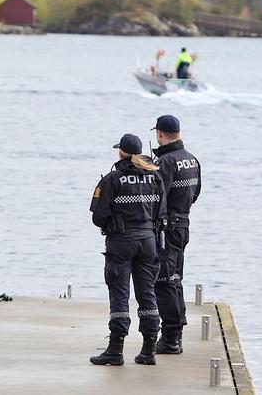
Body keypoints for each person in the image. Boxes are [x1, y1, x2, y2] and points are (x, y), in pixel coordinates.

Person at [89, 133, 167, 366]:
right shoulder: (155, 177)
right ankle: (148, 351)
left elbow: (98, 215)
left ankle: (115, 350)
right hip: (148, 241)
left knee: (120, 296)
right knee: (147, 295)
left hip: (121, 242)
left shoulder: (113, 179)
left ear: (120, 152)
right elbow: (161, 212)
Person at [151, 115, 201, 355]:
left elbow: (157, 197)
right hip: (183, 224)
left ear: (159, 133)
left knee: (164, 280)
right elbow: (195, 193)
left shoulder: (166, 162)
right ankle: (175, 332)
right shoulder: (191, 160)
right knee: (175, 277)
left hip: (166, 228)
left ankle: (171, 337)